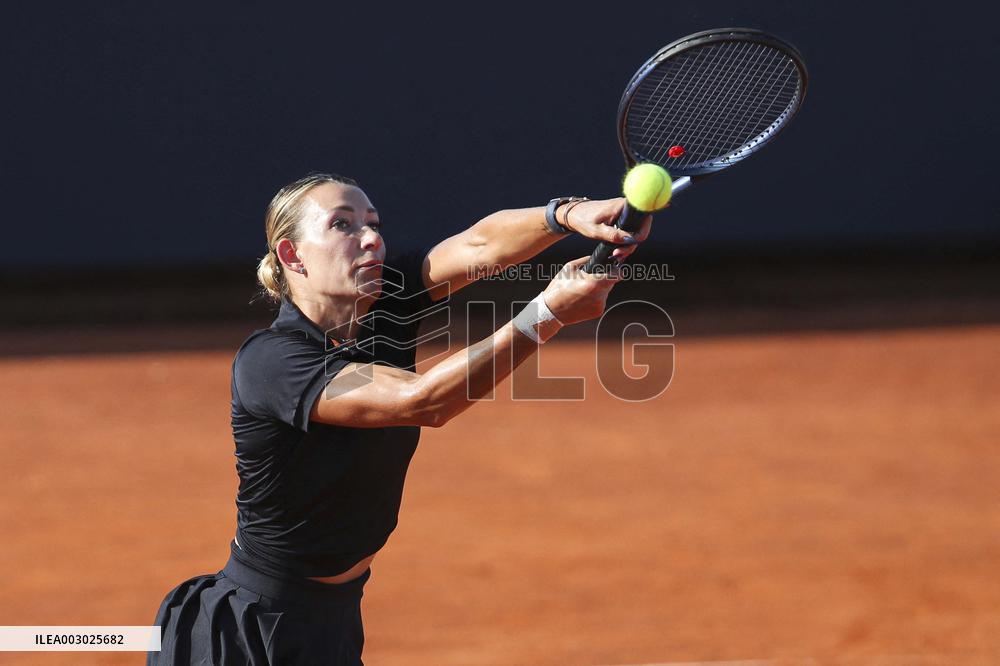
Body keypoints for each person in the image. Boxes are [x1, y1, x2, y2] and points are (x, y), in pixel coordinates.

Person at [148, 172, 651, 665]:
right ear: (291, 254)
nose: (371, 238)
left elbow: (479, 247)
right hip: (251, 632)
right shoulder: (272, 361)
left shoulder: (385, 306)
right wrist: (548, 313)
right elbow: (422, 401)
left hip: (334, 620)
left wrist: (566, 215)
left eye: (374, 223)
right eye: (342, 225)